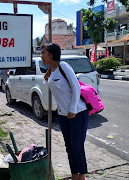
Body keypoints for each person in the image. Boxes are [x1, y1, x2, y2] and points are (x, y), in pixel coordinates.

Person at [41, 43, 89, 180]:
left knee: (77, 146)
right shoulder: (52, 71)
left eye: (43, 53)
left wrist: (73, 110)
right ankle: (74, 174)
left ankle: (82, 175)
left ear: (51, 54)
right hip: (63, 115)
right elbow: (53, 85)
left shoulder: (64, 66)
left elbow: (76, 87)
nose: (41, 56)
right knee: (69, 147)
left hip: (78, 113)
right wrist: (47, 77)